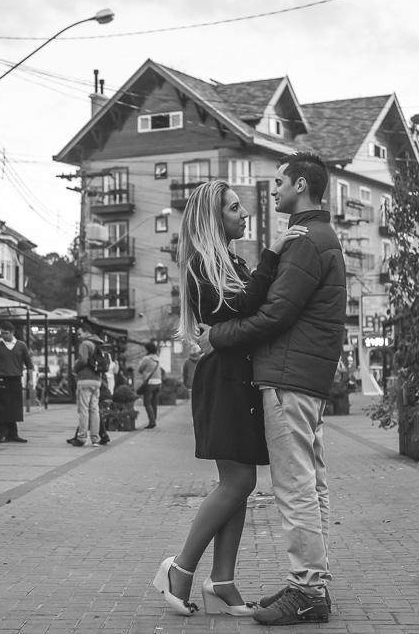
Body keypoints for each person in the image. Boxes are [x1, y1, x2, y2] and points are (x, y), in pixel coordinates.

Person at [194, 152, 344, 626]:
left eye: (279, 182)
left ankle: (307, 589)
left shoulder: (303, 239)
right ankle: (310, 581)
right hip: (306, 376)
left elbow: (275, 314)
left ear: (300, 185)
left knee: (296, 486)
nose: (272, 191)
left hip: (288, 376)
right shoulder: (317, 236)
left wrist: (215, 336)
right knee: (312, 484)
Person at [152, 178, 305, 618]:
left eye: (241, 206)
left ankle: (221, 581)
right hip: (223, 380)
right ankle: (180, 569)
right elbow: (246, 307)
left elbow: (254, 307)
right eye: (234, 208)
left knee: (240, 483)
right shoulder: (203, 263)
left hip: (239, 376)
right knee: (237, 482)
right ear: (213, 217)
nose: (244, 214)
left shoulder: (231, 262)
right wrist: (275, 252)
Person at [0, 322, 33, 443]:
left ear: (12, 332)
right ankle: (2, 434)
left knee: (14, 407)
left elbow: (29, 363)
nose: (3, 335)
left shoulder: (21, 346)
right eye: (2, 333)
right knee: (1, 407)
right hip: (1, 379)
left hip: (15, 379)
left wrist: (30, 379)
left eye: (6, 333)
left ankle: (13, 434)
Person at [68, 330, 106, 447]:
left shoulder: (86, 344)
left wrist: (75, 368)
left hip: (85, 380)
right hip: (96, 381)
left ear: (86, 332)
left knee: (83, 410)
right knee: (94, 410)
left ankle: (81, 438)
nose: (79, 336)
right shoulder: (97, 344)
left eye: (80, 334)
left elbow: (83, 360)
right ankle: (95, 439)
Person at [136, 342, 163, 429]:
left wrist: (145, 372)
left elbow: (139, 370)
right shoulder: (157, 358)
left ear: (147, 349)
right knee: (154, 403)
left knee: (147, 403)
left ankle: (152, 422)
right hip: (158, 383)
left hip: (150, 383)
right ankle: (153, 420)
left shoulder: (146, 359)